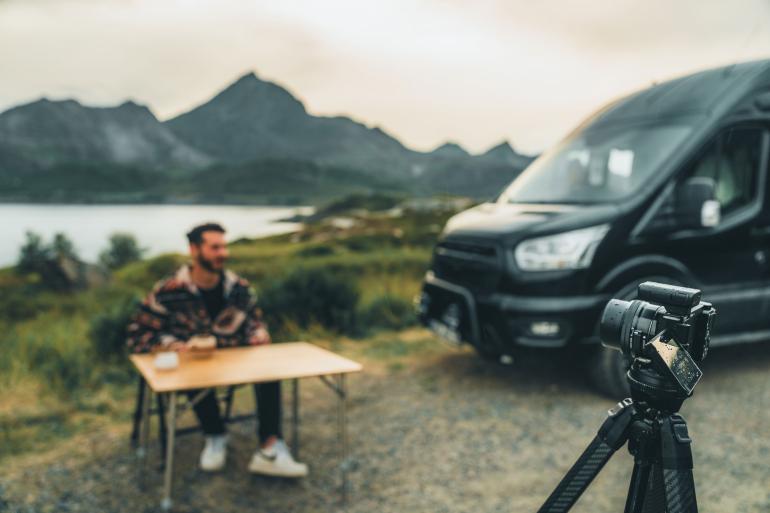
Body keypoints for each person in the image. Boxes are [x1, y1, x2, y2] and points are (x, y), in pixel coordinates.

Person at [126, 222, 307, 477]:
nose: (223, 253)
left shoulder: (239, 289)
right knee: (193, 371)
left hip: (234, 360)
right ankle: (215, 435)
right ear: (194, 249)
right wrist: (172, 345)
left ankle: (269, 448)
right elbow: (138, 333)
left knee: (268, 367)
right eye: (215, 247)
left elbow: (254, 322)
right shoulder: (168, 291)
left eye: (224, 247)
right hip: (191, 366)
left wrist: (258, 334)